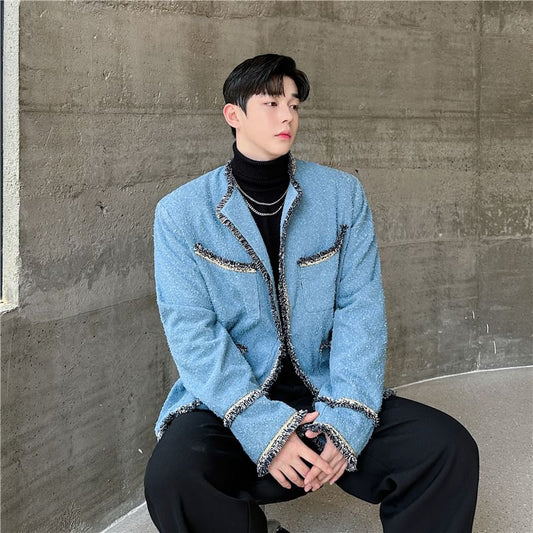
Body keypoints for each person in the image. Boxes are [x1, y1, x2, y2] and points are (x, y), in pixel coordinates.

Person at [144, 54, 479, 533]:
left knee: (447, 449)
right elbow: (193, 334)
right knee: (172, 477)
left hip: (329, 390)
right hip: (235, 401)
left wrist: (348, 422)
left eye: (294, 105)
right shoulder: (181, 213)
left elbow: (361, 311)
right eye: (271, 103)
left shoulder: (341, 195)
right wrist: (265, 429)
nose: (287, 116)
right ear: (233, 114)